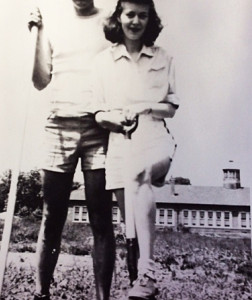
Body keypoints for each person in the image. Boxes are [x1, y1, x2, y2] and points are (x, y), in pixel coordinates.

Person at [92, 0, 180, 298]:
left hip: (156, 138)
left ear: (150, 20)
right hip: (120, 143)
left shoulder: (164, 57)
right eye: (130, 14)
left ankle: (147, 271)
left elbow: (170, 108)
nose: (136, 21)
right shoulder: (103, 61)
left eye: (143, 15)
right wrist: (114, 119)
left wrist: (143, 107)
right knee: (130, 222)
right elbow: (98, 113)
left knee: (141, 174)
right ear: (119, 17)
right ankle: (141, 286)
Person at [28, 1, 115, 299]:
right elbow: (40, 81)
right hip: (58, 128)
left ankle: (102, 296)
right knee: (52, 215)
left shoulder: (109, 20)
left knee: (101, 218)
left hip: (99, 128)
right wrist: (37, 32)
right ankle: (42, 293)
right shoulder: (52, 21)